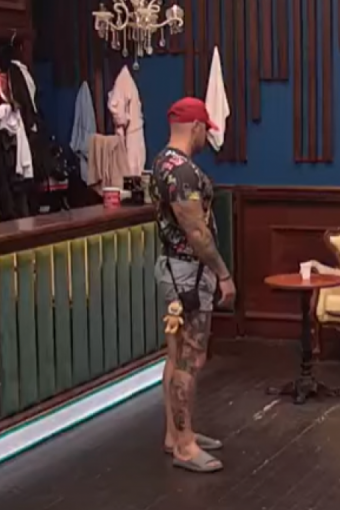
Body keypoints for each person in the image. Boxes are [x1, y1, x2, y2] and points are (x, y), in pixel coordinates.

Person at [151, 97, 236, 473]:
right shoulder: (183, 172)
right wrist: (223, 274)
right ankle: (185, 446)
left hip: (175, 269)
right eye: (206, 131)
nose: (206, 139)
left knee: (176, 356)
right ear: (197, 127)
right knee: (190, 357)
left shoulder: (162, 162)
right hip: (189, 274)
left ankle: (176, 435)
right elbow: (197, 232)